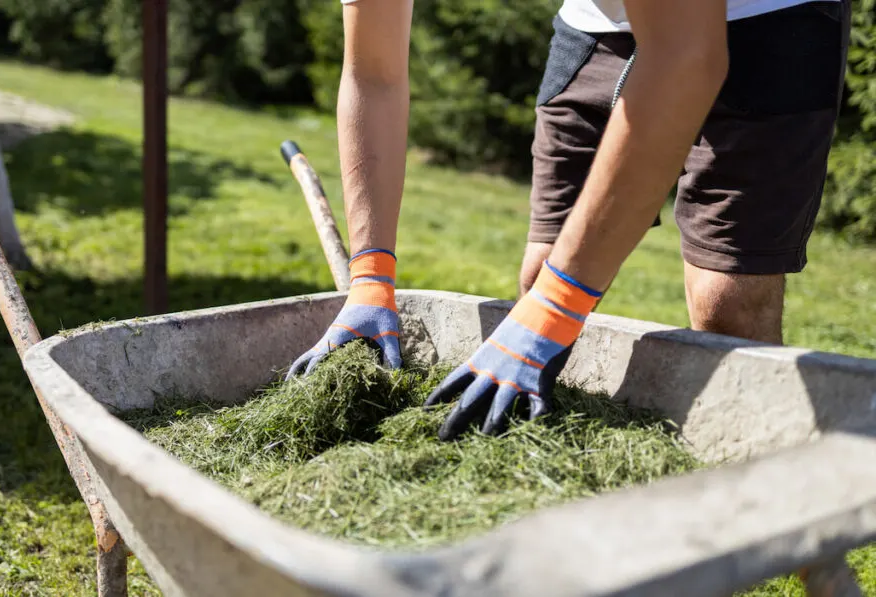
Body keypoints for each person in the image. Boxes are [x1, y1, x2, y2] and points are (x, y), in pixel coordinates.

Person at [287, 0, 851, 443]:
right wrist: (369, 277)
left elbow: (686, 57)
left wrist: (560, 306)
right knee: (540, 276)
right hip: (599, 26)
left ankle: (780, 544)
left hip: (769, 19)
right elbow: (375, 75)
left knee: (727, 305)